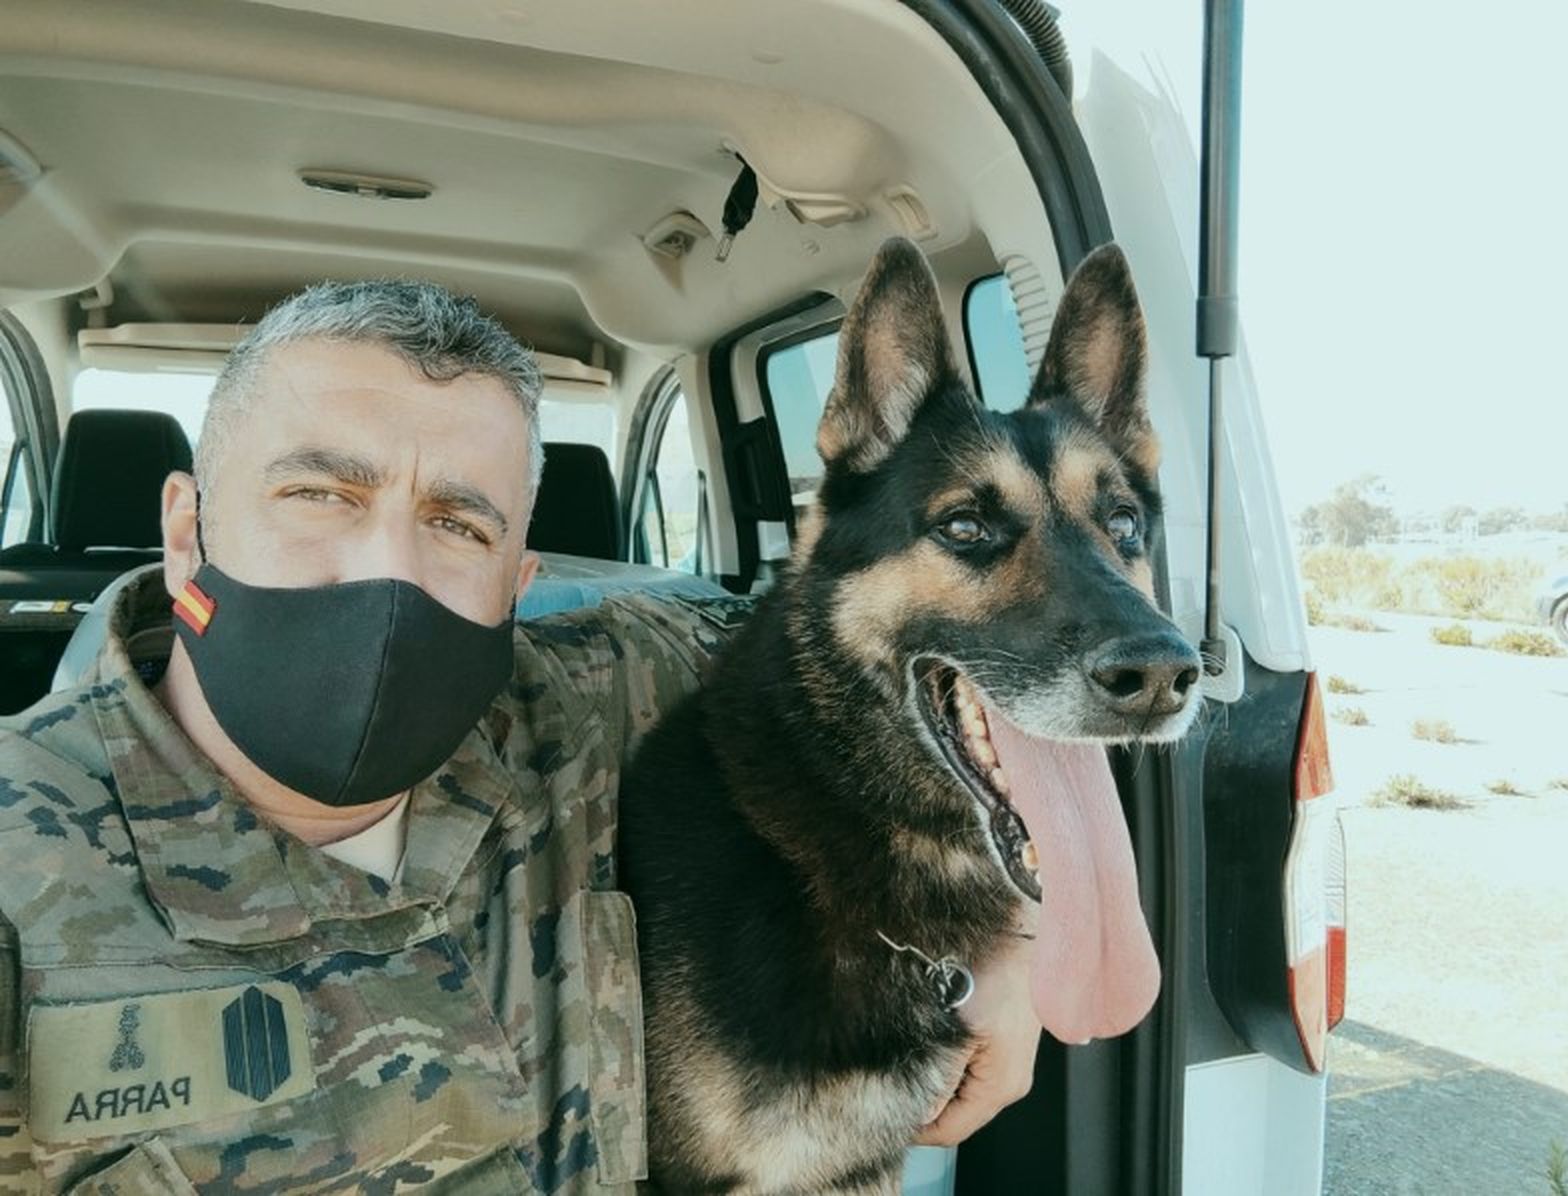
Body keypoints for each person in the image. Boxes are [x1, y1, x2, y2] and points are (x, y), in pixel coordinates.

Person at [0, 281, 1039, 1193]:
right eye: (319, 493)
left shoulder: (608, 688)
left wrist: (1019, 939)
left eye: (459, 523)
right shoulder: (23, 859)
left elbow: (948, 654)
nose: (388, 571)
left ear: (518, 583)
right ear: (187, 533)